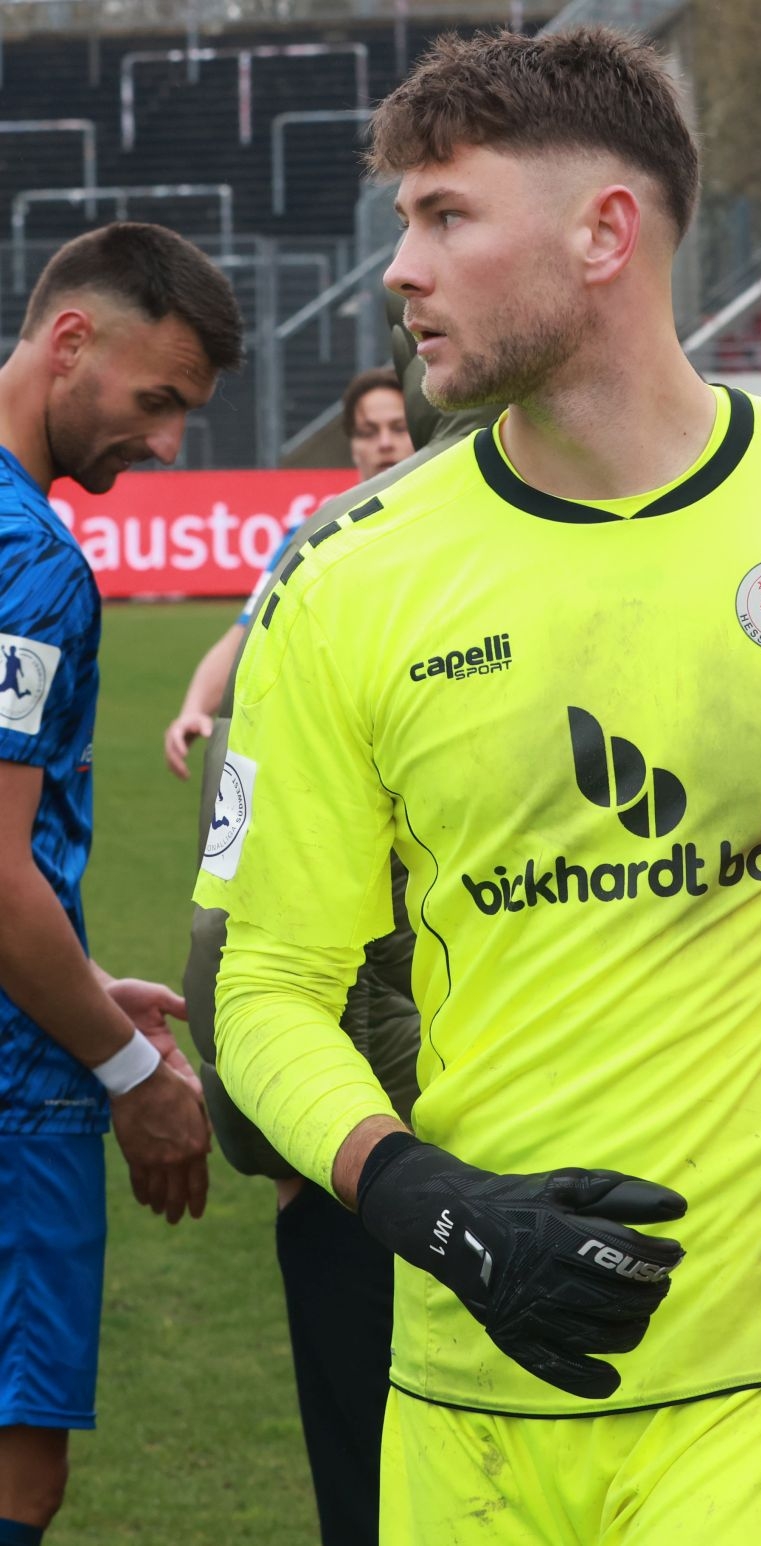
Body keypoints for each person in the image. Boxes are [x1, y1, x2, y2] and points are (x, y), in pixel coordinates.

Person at [192, 27, 761, 1545]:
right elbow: (262, 986)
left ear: (604, 232)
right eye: (405, 221)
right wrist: (429, 1205)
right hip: (465, 1364)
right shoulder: (346, 579)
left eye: (447, 215)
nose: (402, 267)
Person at [180, 315, 495, 1546]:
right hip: (410, 1158)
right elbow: (239, 956)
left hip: (379, 1163)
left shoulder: (337, 574)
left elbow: (228, 961)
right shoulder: (325, 576)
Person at [0, 221, 240, 1545]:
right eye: (158, 402)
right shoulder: (28, 563)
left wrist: (82, 978)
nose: (167, 444)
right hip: (9, 1088)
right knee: (18, 1473)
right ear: (70, 340)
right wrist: (131, 1073)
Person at [162, 366, 414, 778]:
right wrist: (192, 710)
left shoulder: (450, 521)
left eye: (398, 428)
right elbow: (245, 634)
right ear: (352, 445)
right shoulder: (312, 535)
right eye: (368, 432)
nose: (384, 444)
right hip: (343, 756)